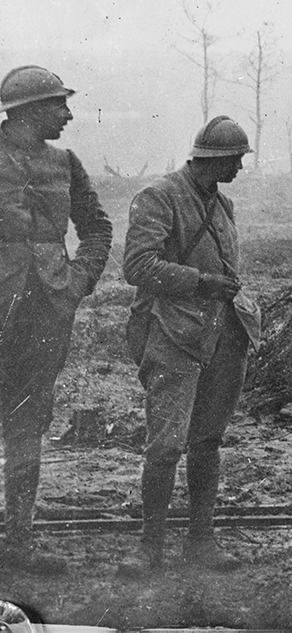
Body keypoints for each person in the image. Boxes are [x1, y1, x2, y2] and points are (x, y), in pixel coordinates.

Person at [120, 116, 261, 575]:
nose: (240, 167)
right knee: (164, 446)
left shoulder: (224, 205)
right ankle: (149, 549)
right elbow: (138, 266)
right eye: (236, 159)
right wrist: (201, 282)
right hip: (172, 334)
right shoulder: (159, 197)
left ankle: (201, 543)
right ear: (215, 159)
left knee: (208, 441)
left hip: (224, 334)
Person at [0, 67, 112, 574]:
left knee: (28, 420)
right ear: (29, 111)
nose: (68, 115)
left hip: (44, 312)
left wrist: (76, 282)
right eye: (58, 105)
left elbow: (96, 227)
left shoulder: (65, 163)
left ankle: (19, 545)